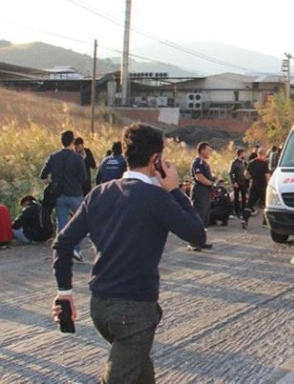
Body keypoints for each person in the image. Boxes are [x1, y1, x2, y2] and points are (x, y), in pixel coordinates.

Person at [51, 123, 207, 384]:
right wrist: (175, 190)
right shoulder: (157, 197)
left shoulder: (98, 194)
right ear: (155, 159)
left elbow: (63, 243)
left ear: (125, 153)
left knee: (140, 373)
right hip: (134, 311)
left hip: (100, 307)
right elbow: (198, 235)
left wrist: (64, 293)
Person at [40, 130, 87, 262]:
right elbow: (84, 178)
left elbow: (42, 174)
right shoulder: (77, 158)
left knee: (61, 223)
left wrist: (52, 179)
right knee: (80, 222)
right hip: (75, 194)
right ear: (72, 142)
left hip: (59, 195)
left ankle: (61, 252)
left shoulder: (54, 156)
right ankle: (76, 250)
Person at [189, 142, 216, 251]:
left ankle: (201, 241)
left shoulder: (204, 163)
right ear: (202, 150)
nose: (210, 152)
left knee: (204, 217)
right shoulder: (198, 162)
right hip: (199, 192)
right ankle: (193, 242)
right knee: (197, 217)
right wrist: (211, 183)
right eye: (208, 150)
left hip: (205, 192)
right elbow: (199, 177)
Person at [241, 148, 271, 229]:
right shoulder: (264, 164)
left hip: (253, 185)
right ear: (264, 154)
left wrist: (250, 177)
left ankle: (244, 219)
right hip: (263, 187)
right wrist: (269, 186)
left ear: (258, 153)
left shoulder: (251, 162)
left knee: (250, 204)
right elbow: (267, 176)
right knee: (266, 205)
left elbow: (245, 174)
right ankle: (265, 223)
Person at [228, 148, 248, 218]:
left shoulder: (244, 162)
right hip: (237, 182)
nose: (244, 155)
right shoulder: (234, 163)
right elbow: (231, 173)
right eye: (243, 153)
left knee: (244, 197)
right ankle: (237, 212)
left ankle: (244, 211)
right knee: (236, 197)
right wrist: (233, 182)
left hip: (243, 182)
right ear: (240, 154)